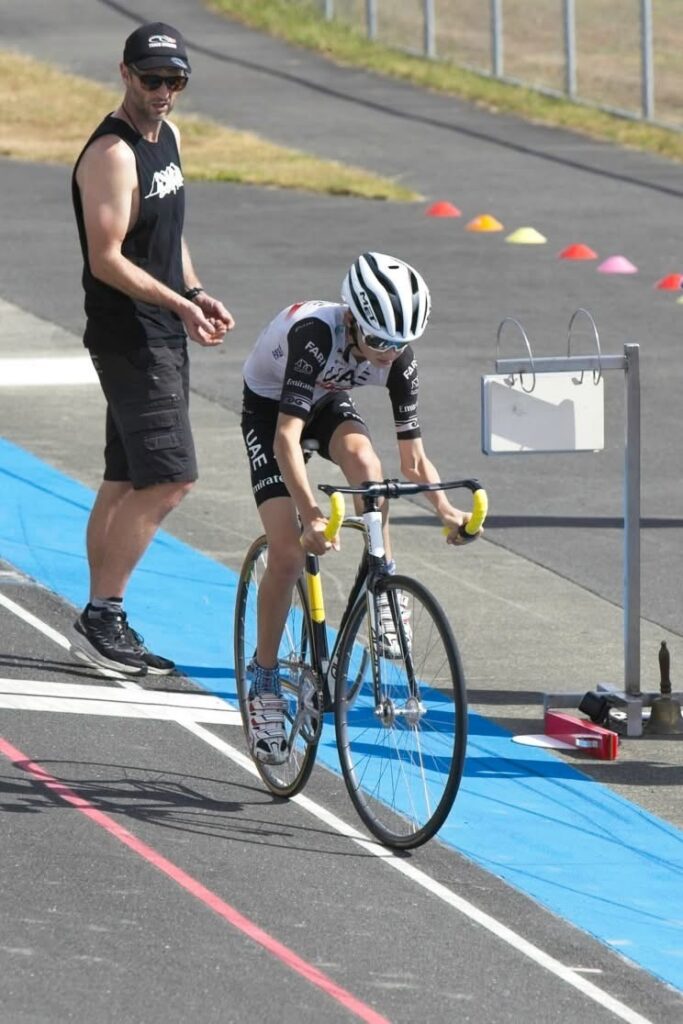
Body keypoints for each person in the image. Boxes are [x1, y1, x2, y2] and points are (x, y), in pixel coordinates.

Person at [240, 251, 480, 763]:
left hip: (324, 399)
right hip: (271, 408)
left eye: (399, 345)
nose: (388, 355)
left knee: (368, 467)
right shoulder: (313, 335)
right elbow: (286, 439)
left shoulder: (397, 359)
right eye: (378, 342)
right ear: (351, 319)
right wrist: (310, 514)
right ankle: (262, 680)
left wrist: (446, 513)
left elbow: (413, 460)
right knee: (286, 552)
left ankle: (383, 581)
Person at [70, 22, 234, 677]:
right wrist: (178, 304)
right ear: (124, 73)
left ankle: (96, 614)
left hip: (161, 329)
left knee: (126, 476)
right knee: (170, 478)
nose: (163, 92)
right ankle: (104, 613)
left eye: (175, 81)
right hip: (131, 337)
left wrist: (195, 289)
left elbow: (168, 236)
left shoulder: (167, 140)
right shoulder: (111, 154)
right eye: (151, 79)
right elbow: (106, 258)